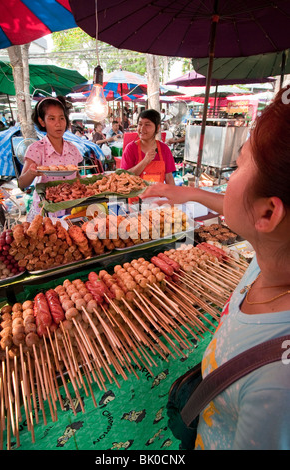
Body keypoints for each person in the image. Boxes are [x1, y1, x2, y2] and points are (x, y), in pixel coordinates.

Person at [141, 87, 290, 450]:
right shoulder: (271, 260)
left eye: (239, 164)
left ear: (269, 214)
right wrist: (190, 193)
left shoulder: (277, 385)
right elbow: (240, 206)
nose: (229, 177)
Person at [18, 96, 83, 222]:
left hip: (70, 211)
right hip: (45, 214)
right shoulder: (36, 149)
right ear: (42, 122)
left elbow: (77, 176)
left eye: (61, 118)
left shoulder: (73, 149)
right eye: (52, 119)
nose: (58, 124)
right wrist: (31, 173)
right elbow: (22, 184)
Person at [121, 109, 176, 185]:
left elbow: (169, 177)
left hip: (158, 196)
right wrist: (145, 161)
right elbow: (124, 177)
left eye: (147, 125)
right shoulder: (131, 148)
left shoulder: (164, 149)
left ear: (157, 128)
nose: (142, 128)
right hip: (137, 197)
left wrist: (174, 196)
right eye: (140, 124)